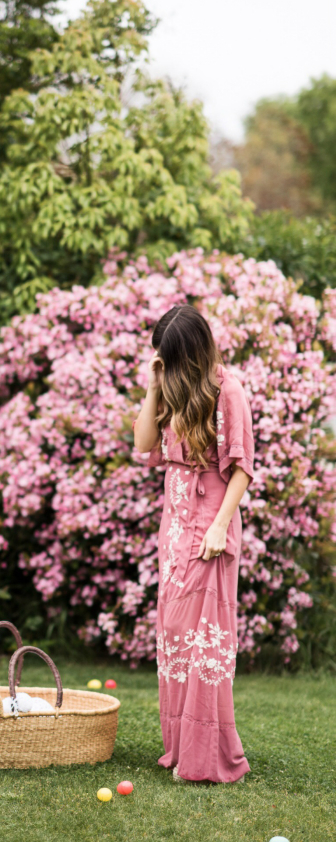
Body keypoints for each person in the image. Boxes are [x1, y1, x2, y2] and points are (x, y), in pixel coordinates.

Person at [133, 305, 254, 784]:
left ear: (193, 352)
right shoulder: (174, 389)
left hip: (212, 525)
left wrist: (221, 527)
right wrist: (153, 383)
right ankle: (181, 749)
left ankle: (209, 756)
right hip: (176, 523)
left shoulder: (229, 390)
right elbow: (144, 443)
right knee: (177, 636)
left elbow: (242, 467)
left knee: (206, 641)